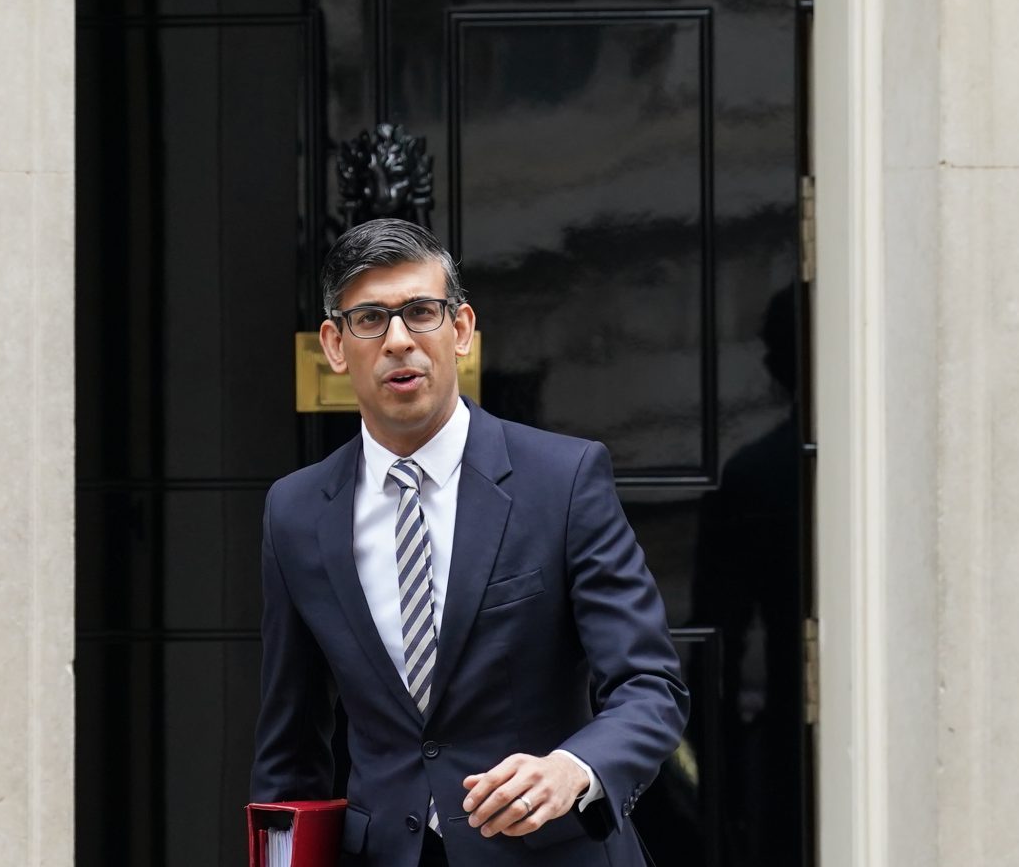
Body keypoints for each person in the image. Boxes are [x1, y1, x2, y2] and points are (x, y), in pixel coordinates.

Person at [251, 218, 690, 867]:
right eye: (370, 319)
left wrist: (574, 769)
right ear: (335, 346)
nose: (399, 340)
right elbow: (289, 749)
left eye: (420, 313)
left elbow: (650, 685)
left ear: (459, 330)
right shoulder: (294, 512)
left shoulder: (562, 481)